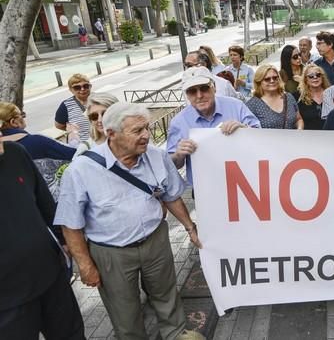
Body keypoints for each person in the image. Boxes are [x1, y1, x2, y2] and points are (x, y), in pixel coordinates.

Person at [55, 103, 202, 340]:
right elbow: (70, 224)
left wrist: (190, 227)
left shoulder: (157, 156)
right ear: (110, 133)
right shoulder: (81, 170)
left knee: (166, 295)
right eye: (137, 131)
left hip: (155, 240)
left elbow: (172, 196)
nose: (146, 135)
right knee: (124, 309)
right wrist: (85, 265)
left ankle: (176, 333)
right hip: (112, 253)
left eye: (147, 128)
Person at [0, 137, 85, 339]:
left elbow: (46, 204)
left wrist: (65, 242)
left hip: (51, 278)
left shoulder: (15, 153)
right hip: (7, 302)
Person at [168, 67, 260, 185]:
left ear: (214, 87)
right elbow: (172, 164)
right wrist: (179, 154)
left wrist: (244, 129)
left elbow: (260, 138)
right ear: (187, 94)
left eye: (204, 88)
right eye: (192, 91)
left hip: (243, 183)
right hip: (205, 190)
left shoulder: (236, 106)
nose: (199, 95)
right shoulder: (178, 122)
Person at [0, 102, 76, 199]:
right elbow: (75, 155)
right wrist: (73, 135)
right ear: (14, 122)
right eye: (22, 115)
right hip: (50, 201)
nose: (24, 118)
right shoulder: (36, 141)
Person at [247, 65, 304, 130]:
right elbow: (250, 130)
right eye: (267, 79)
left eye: (275, 78)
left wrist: (299, 130)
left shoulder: (289, 97)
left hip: (292, 139)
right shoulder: (252, 104)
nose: (272, 81)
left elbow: (298, 119)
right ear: (259, 82)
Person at [74, 92, 119, 156]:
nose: (100, 120)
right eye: (94, 116)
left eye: (105, 114)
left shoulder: (132, 139)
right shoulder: (85, 148)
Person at [55, 73, 92, 143]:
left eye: (85, 86)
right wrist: (74, 131)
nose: (82, 89)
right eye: (77, 87)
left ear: (90, 86)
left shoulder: (100, 99)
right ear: (71, 90)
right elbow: (59, 125)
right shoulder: (66, 105)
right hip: (82, 146)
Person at [298, 64, 330, 130]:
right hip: (309, 137)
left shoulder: (331, 94)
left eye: (318, 75)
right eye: (311, 76)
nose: (315, 77)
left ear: (322, 77)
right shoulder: (300, 98)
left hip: (331, 136)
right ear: (305, 80)